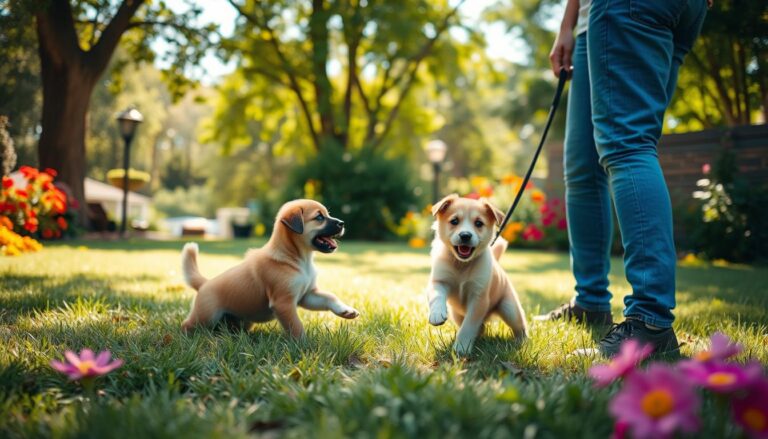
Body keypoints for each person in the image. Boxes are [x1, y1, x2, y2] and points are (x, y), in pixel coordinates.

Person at [540, 0, 709, 357]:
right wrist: (568, 24)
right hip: (611, 18)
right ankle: (591, 302)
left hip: (627, 8)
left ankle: (650, 321)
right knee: (583, 167)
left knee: (628, 144)